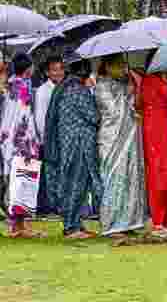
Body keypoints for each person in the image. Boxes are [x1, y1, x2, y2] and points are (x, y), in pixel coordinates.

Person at [44, 58, 102, 240]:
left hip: (67, 145)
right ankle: (71, 227)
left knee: (72, 185)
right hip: (79, 146)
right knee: (76, 186)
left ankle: (75, 224)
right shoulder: (78, 89)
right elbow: (93, 117)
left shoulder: (64, 87)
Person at [95, 55, 148, 241]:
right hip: (112, 139)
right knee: (113, 179)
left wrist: (131, 91)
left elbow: (133, 105)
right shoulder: (101, 86)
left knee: (131, 177)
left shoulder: (125, 83)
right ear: (107, 67)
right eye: (119, 66)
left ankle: (130, 221)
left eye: (124, 65)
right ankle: (112, 224)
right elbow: (112, 112)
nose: (123, 70)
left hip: (130, 137)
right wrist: (126, 99)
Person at [135, 55, 167, 240]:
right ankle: (158, 221)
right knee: (158, 175)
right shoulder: (149, 81)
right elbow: (141, 104)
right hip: (155, 130)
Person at [2, 53, 44, 238]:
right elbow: (24, 116)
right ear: (28, 68)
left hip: (8, 140)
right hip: (22, 142)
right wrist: (33, 140)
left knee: (15, 182)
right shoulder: (24, 86)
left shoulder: (9, 85)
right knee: (23, 182)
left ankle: (18, 225)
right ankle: (19, 227)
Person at [32, 55, 64, 216]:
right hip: (48, 139)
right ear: (47, 72)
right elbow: (39, 117)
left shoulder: (62, 88)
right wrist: (44, 139)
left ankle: (57, 205)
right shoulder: (44, 91)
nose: (58, 73)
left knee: (58, 173)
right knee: (46, 174)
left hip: (61, 138)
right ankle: (45, 207)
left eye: (60, 69)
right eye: (54, 70)